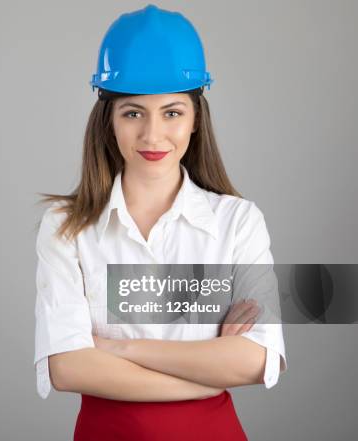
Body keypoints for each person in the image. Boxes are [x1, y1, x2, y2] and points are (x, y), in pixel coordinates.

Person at [33, 4, 287, 440]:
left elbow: (256, 360)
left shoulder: (238, 221)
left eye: (172, 112)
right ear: (108, 122)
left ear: (195, 121)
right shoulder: (66, 225)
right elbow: (68, 366)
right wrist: (207, 370)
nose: (152, 136)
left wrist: (119, 348)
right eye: (133, 113)